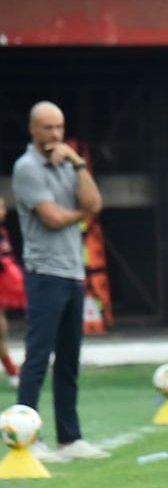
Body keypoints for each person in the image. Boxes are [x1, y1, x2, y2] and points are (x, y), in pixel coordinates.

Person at [10, 101, 110, 463]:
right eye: (47, 128)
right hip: (44, 272)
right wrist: (82, 212)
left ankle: (70, 438)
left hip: (72, 272)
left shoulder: (69, 164)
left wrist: (79, 163)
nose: (54, 135)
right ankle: (26, 436)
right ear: (33, 130)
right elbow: (52, 218)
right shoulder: (26, 168)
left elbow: (94, 202)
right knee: (38, 356)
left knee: (69, 359)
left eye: (59, 127)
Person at [0, 197, 26, 387]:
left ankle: (12, 370)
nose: (3, 210)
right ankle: (12, 370)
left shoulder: (3, 232)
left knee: (2, 331)